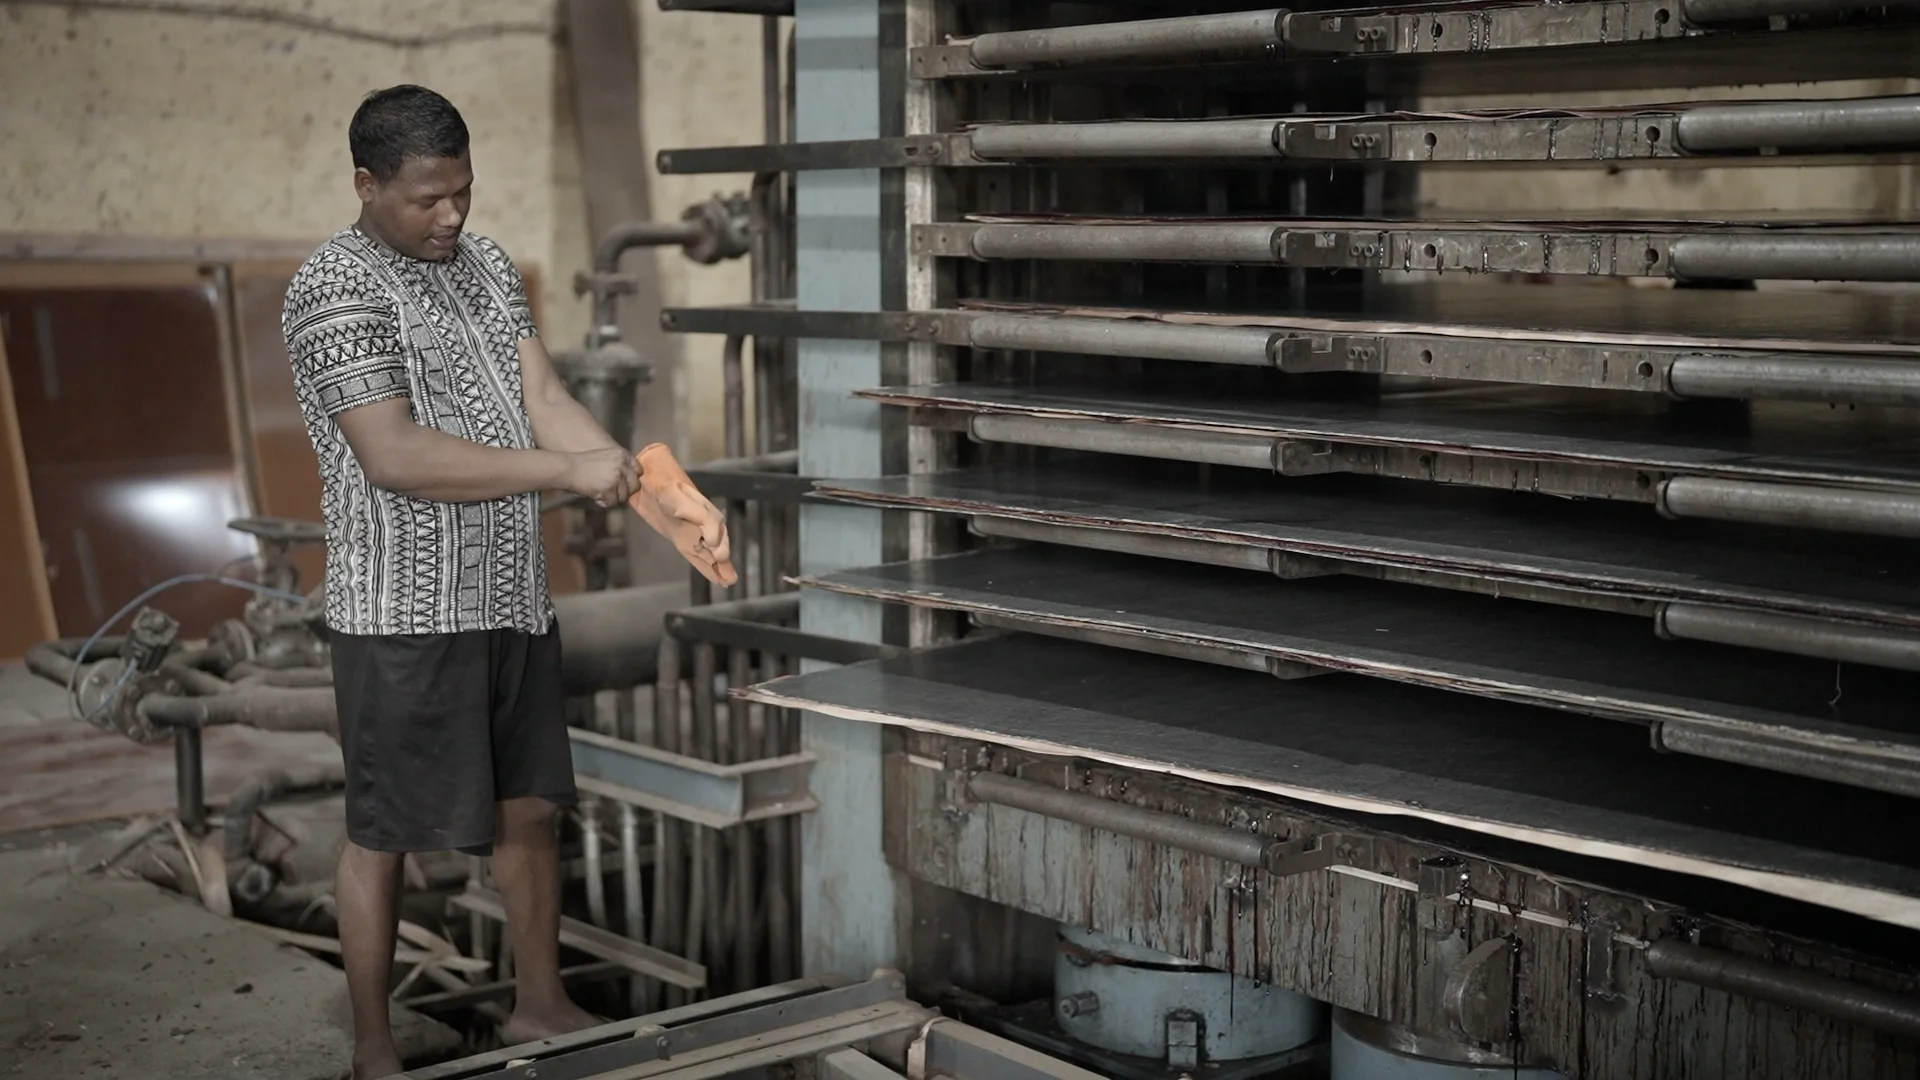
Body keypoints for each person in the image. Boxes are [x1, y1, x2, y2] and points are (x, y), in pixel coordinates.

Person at [282, 85, 732, 1079]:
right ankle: (372, 1046)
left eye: (464, 191)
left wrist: (650, 484)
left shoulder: (482, 265)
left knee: (528, 808)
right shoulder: (334, 289)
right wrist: (563, 473)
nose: (451, 216)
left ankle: (540, 1004)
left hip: (510, 599)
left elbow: (542, 395)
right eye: (426, 198)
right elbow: (394, 454)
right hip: (403, 612)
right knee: (383, 832)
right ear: (366, 184)